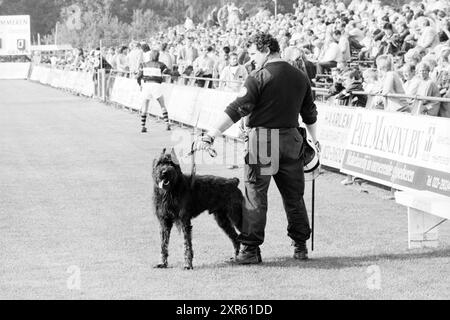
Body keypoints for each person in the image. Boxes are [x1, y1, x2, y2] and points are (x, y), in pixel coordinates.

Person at [194, 33, 319, 264]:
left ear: (266, 49)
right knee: (294, 197)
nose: (251, 59)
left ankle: (250, 250)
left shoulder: (258, 77)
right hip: (292, 140)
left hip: (264, 140)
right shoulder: (300, 76)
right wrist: (315, 140)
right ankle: (300, 246)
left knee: (255, 197)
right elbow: (309, 113)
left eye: (253, 53)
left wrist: (211, 135)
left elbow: (236, 109)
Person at [137, 49, 172, 132]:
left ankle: (143, 126)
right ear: (158, 56)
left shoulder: (144, 64)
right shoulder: (161, 65)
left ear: (150, 56)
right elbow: (169, 72)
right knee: (162, 105)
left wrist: (140, 85)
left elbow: (138, 76)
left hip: (146, 85)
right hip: (156, 85)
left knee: (145, 105)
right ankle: (167, 124)